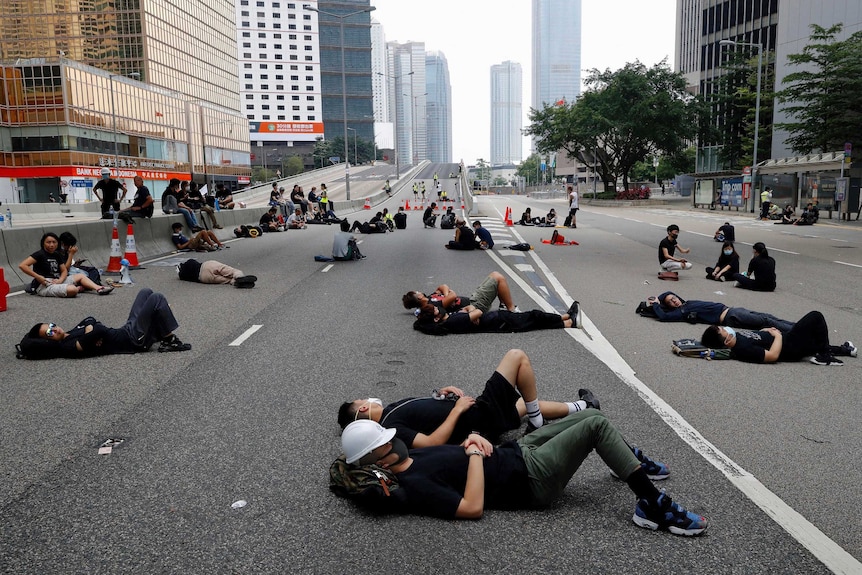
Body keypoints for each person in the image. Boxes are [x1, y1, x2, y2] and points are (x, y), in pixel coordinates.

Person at [339, 414, 707, 535]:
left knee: (589, 416)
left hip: (516, 453)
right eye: (386, 443)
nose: (395, 440)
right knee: (594, 426)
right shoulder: (414, 486)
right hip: (531, 480)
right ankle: (651, 504)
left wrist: (472, 439)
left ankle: (625, 460)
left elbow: (458, 451)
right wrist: (473, 456)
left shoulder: (412, 457)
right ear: (378, 462)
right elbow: (470, 507)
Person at [338, 349, 602, 446]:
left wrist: (440, 393)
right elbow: (431, 442)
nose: (370, 400)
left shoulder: (392, 411)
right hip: (478, 419)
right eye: (365, 400)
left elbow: (424, 411)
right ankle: (536, 425)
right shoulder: (389, 428)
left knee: (522, 404)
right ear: (362, 409)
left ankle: (584, 406)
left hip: (478, 416)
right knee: (516, 357)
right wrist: (456, 410)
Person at [18, 288, 192, 358]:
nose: (54, 329)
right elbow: (98, 329)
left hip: (126, 330)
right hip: (133, 341)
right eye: (49, 333)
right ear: (49, 340)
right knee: (157, 298)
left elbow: (91, 320)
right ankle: (169, 340)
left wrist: (91, 330)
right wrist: (92, 331)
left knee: (145, 292)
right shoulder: (67, 346)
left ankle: (161, 328)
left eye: (51, 326)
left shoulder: (70, 333)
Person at [701, 312, 856, 366]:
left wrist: (765, 331)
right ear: (726, 341)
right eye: (723, 330)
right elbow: (772, 356)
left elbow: (757, 337)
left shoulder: (738, 338)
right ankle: (825, 357)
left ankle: (846, 350)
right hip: (789, 347)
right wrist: (777, 336)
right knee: (815, 317)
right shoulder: (743, 349)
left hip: (788, 340)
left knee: (817, 342)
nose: (726, 328)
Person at [645, 290, 795, 332]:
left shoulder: (687, 303)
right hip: (731, 316)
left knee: (767, 317)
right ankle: (797, 330)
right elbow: (664, 317)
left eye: (674, 297)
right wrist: (657, 304)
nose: (675, 300)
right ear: (669, 306)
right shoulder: (681, 312)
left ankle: (796, 326)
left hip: (733, 310)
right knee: (766, 322)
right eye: (671, 301)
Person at [19, 232, 113, 297]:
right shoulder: (39, 254)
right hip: (45, 284)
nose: (51, 245)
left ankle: (99, 288)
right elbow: (23, 265)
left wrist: (60, 280)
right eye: (48, 242)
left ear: (57, 244)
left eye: (54, 242)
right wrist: (38, 277)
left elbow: (64, 270)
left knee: (80, 275)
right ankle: (76, 288)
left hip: (58, 280)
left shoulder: (56, 254)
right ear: (43, 243)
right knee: (72, 290)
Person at [413, 301, 580, 335]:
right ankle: (567, 318)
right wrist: (472, 311)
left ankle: (567, 321)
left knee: (533, 323)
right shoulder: (452, 321)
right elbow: (477, 312)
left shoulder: (449, 319)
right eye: (435, 310)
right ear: (436, 319)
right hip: (500, 322)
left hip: (499, 321)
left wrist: (470, 310)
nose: (437, 308)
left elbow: (471, 309)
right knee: (534, 316)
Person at [402, 272, 521, 315]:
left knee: (493, 277)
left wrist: (446, 292)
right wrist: (448, 294)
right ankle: (511, 310)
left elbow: (443, 286)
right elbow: (453, 296)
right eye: (417, 292)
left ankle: (503, 305)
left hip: (473, 299)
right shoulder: (432, 306)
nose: (419, 291)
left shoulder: (430, 297)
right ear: (418, 297)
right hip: (476, 306)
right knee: (497, 277)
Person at [175, 258, 256, 288]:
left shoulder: (184, 276)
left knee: (226, 281)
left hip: (203, 278)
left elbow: (181, 275)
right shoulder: (189, 262)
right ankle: (239, 276)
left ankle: (235, 282)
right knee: (231, 271)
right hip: (207, 265)